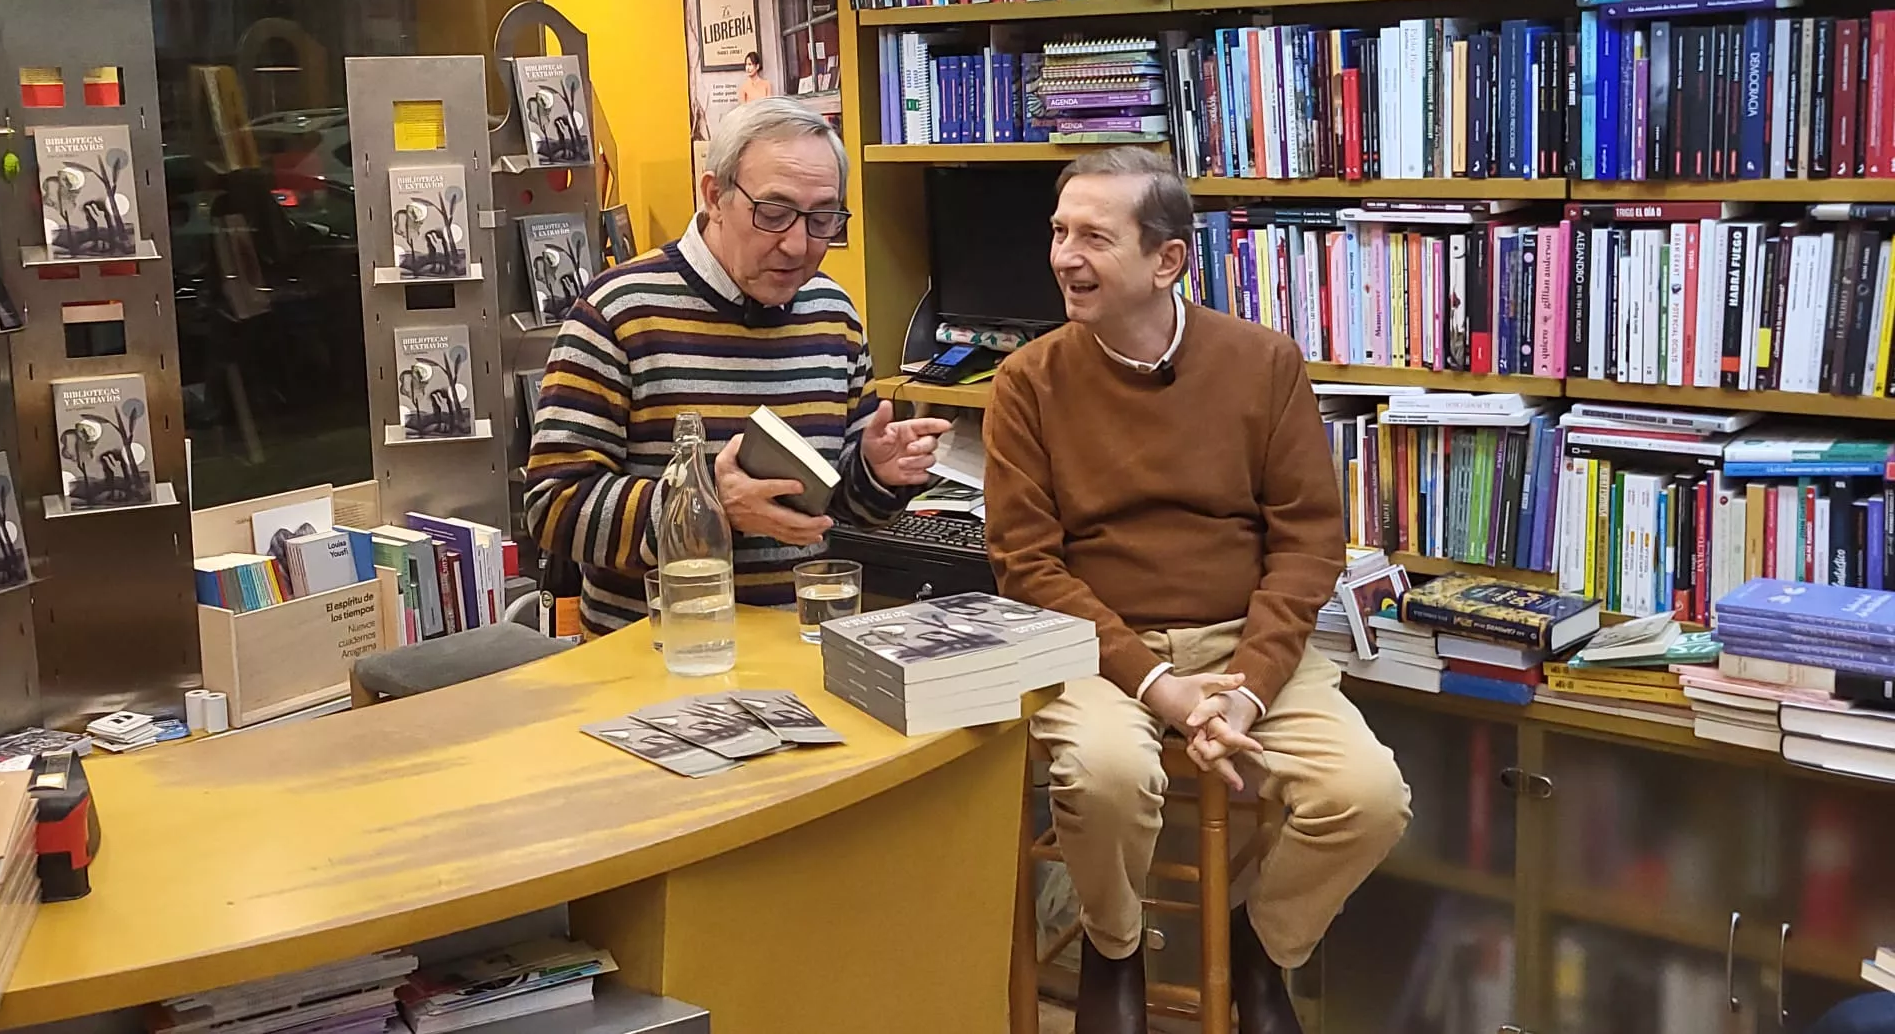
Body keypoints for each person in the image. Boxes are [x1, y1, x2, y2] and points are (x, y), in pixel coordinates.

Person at [983, 147, 1411, 1034]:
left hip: (1245, 643)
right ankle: (1115, 948)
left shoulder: (1262, 363)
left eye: (1094, 237)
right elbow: (1026, 565)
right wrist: (1158, 686)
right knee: (1106, 775)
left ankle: (1262, 948)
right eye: (1059, 233)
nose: (1065, 256)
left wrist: (1249, 689)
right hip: (1097, 655)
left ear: (1167, 260)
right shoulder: (1026, 382)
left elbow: (1307, 542)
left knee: (1368, 797)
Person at [525, 98, 948, 634]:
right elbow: (553, 508)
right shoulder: (620, 310)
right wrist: (707, 507)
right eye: (772, 213)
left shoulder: (832, 314)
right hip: (655, 662)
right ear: (714, 197)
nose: (797, 244)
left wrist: (876, 473)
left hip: (799, 650)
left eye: (823, 219)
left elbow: (838, 510)